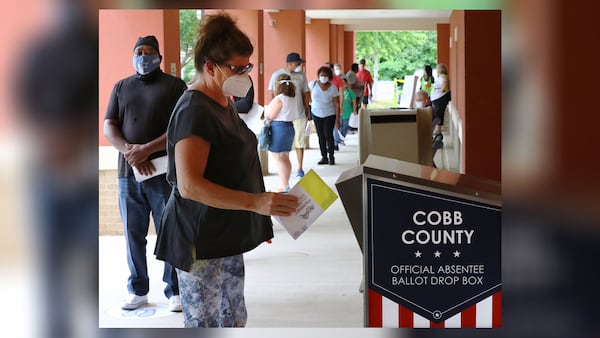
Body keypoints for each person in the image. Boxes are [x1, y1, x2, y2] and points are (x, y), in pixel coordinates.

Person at [154, 13, 299, 328]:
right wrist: (254, 203)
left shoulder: (223, 101)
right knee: (206, 322)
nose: (246, 74)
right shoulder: (194, 109)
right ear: (210, 66)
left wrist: (259, 207)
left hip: (225, 233)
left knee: (232, 318)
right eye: (238, 68)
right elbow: (190, 186)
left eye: (247, 66)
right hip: (200, 238)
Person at [103, 35, 186, 312]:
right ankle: (137, 288)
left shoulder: (175, 86)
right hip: (129, 174)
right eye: (139, 51)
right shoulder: (121, 87)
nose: (143, 56)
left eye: (149, 52)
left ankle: (174, 289)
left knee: (169, 230)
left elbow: (180, 126)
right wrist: (130, 152)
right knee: (132, 233)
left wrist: (146, 150)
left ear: (160, 57)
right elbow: (109, 127)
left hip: (163, 174)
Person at [268, 52, 311, 178]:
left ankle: (300, 168)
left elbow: (305, 94)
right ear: (289, 63)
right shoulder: (276, 75)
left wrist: (307, 111)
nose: (299, 65)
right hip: (281, 117)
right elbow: (271, 93)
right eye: (297, 63)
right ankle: (285, 171)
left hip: (299, 113)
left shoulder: (301, 76)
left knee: (300, 142)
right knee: (284, 148)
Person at [266, 74, 297, 192]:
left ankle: (284, 185)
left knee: (279, 157)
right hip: (289, 127)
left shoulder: (279, 98)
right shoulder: (292, 98)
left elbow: (271, 115)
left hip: (279, 128)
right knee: (285, 157)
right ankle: (286, 183)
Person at [310, 66, 340, 165]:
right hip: (316, 114)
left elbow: (336, 103)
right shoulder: (313, 84)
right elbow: (305, 95)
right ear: (318, 76)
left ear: (329, 77)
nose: (323, 77)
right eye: (322, 75)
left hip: (329, 114)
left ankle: (331, 156)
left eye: (326, 75)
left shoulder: (333, 88)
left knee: (328, 134)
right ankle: (324, 157)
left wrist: (338, 119)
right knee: (321, 136)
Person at [430, 63, 451, 136]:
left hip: (440, 98)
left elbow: (444, 84)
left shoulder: (442, 77)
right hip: (437, 98)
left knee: (438, 113)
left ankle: (437, 129)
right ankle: (437, 129)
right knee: (437, 113)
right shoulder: (442, 76)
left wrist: (441, 90)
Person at [345, 63, 363, 133]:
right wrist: (360, 87)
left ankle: (352, 126)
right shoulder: (351, 74)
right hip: (354, 96)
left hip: (355, 95)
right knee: (354, 112)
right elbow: (351, 86)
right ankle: (352, 127)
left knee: (355, 111)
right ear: (356, 68)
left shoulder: (351, 74)